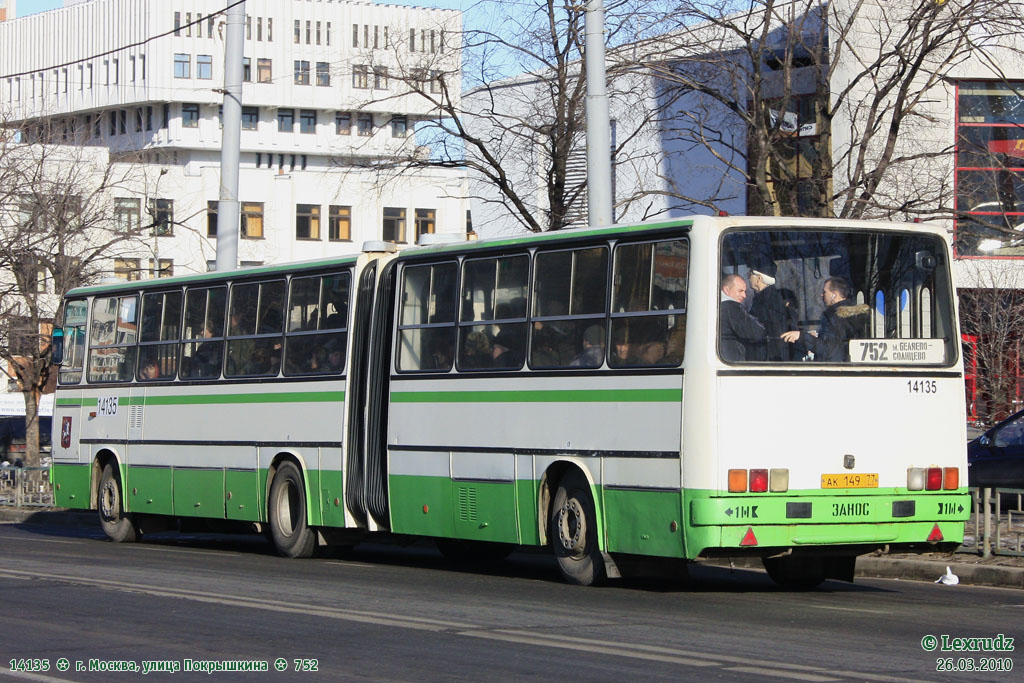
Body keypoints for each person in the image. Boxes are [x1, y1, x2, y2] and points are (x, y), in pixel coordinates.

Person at [781, 277, 869, 362]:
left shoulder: (834, 318)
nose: (822, 295)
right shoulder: (852, 317)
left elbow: (828, 350)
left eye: (824, 292)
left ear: (834, 295)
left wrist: (802, 337)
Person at [719, 273, 766, 362]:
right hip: (732, 363)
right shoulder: (731, 308)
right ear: (726, 290)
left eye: (745, 291)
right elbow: (756, 333)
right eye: (740, 291)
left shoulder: (715, 305)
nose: (744, 296)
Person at [748, 267, 789, 361]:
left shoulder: (767, 300)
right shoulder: (767, 297)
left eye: (750, 274)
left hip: (769, 355)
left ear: (759, 278)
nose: (748, 277)